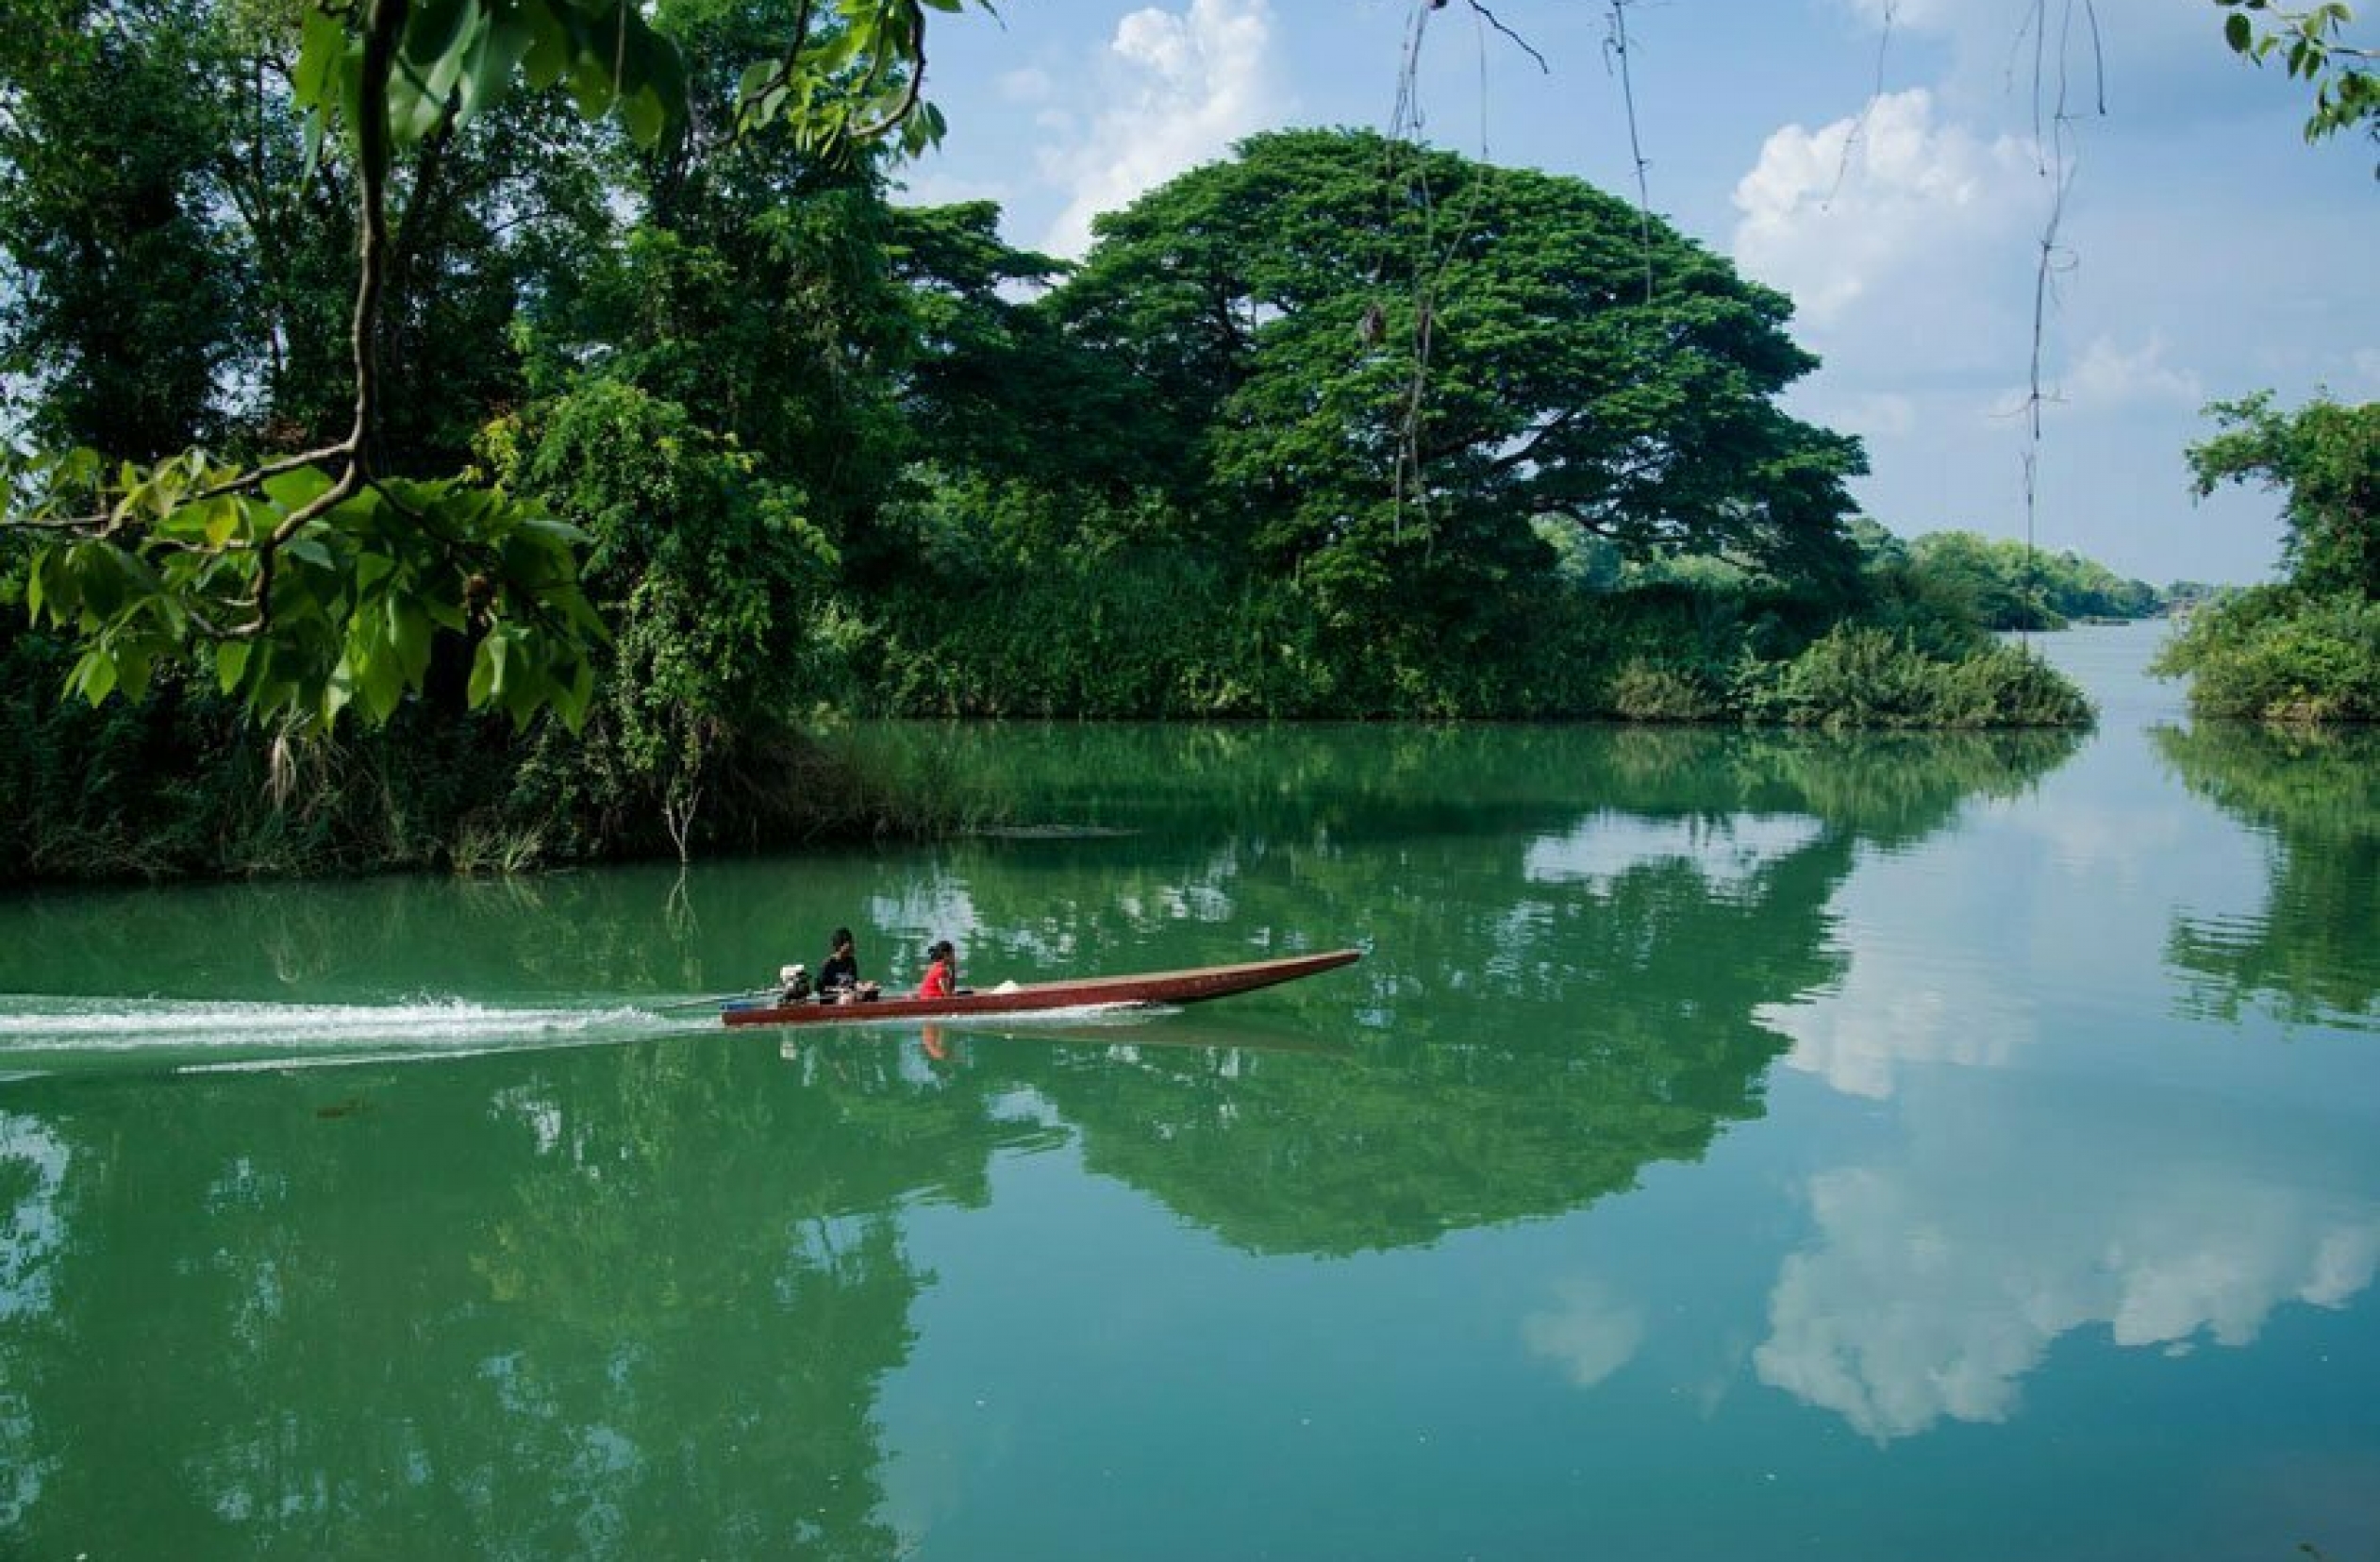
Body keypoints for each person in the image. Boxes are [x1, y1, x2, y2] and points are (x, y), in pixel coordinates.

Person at [818, 927, 880, 1004]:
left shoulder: (851, 961)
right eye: (850, 942)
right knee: (848, 998)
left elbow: (855, 981)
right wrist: (840, 990)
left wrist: (863, 987)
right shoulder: (828, 964)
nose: (852, 945)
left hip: (851, 994)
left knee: (872, 986)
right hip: (834, 998)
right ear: (840, 946)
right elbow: (821, 988)